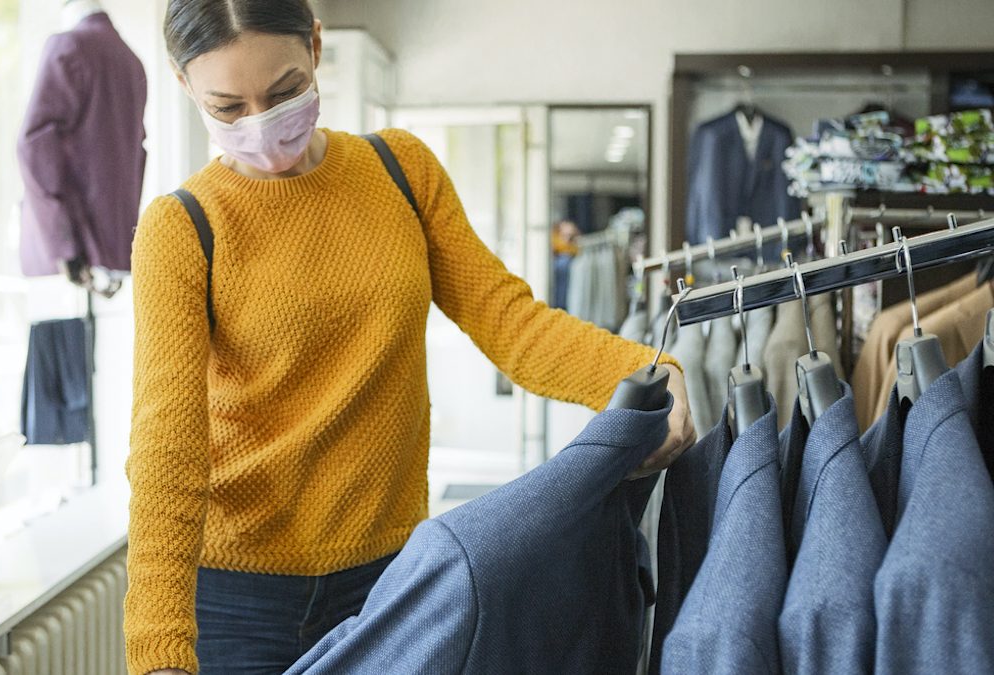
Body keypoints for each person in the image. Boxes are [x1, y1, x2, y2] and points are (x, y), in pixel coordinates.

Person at [126, 2, 695, 674]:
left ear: (314, 42)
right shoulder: (180, 228)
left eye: (282, 93)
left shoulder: (400, 170)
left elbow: (508, 320)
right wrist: (159, 652)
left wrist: (643, 366)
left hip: (393, 582)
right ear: (183, 83)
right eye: (228, 108)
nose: (261, 126)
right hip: (236, 602)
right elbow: (169, 447)